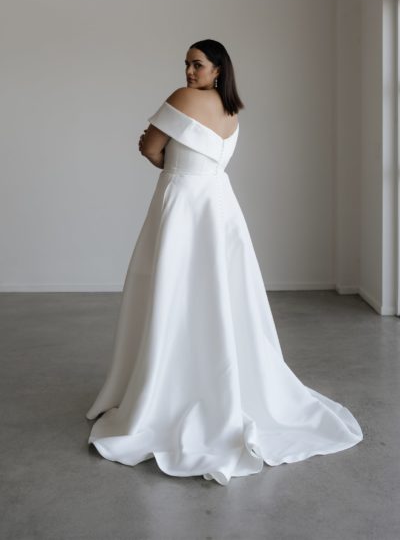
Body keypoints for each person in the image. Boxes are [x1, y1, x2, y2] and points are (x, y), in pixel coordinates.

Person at [86, 39, 363, 486]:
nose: (188, 72)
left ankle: (168, 382)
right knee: (219, 291)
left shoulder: (182, 99)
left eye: (197, 65)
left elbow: (150, 148)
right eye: (186, 64)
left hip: (183, 201)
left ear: (218, 69)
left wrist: (161, 153)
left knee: (174, 289)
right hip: (218, 203)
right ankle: (211, 378)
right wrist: (170, 153)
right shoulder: (232, 111)